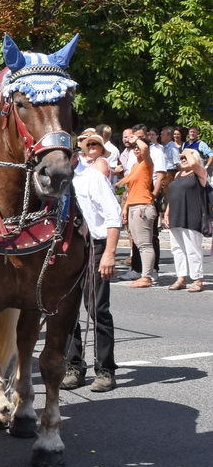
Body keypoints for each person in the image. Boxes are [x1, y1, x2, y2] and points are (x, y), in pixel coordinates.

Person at [63, 146, 122, 393]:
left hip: (93, 247)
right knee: (65, 313)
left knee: (97, 310)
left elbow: (113, 216)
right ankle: (74, 367)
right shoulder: (56, 181)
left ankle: (106, 370)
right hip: (65, 249)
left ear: (75, 156)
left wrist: (109, 253)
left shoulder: (92, 178)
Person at [165, 148, 209, 292]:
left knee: (192, 249)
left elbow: (194, 163)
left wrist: (187, 151)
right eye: (181, 157)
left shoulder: (199, 173)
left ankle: (197, 279)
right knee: (177, 249)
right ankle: (181, 278)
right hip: (176, 215)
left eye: (185, 157)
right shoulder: (178, 174)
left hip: (191, 214)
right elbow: (173, 194)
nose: (183, 159)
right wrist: (167, 211)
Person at [120, 135, 158, 288]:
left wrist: (136, 139)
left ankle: (147, 277)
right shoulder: (135, 166)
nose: (136, 149)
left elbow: (144, 148)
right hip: (134, 205)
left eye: (137, 147)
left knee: (144, 244)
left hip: (143, 206)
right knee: (137, 243)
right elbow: (126, 187)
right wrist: (125, 207)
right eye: (133, 147)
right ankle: (144, 274)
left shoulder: (147, 163)